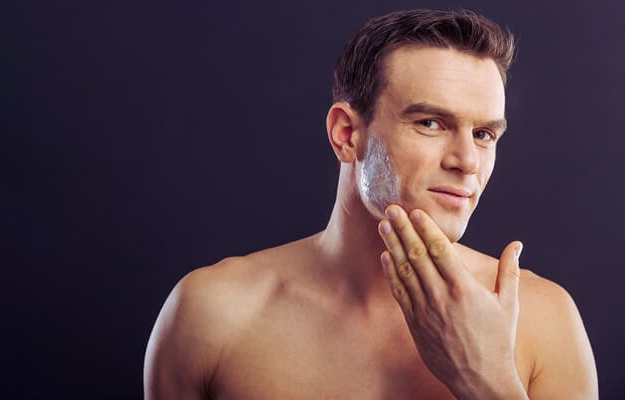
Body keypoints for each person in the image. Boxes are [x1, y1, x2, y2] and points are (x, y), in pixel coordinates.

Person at [144, 9, 598, 400]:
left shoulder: (543, 320)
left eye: (484, 134)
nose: (467, 162)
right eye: (431, 123)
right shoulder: (212, 315)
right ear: (346, 134)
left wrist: (488, 381)